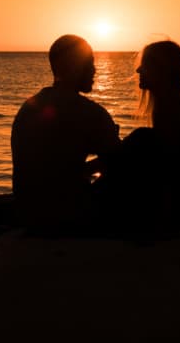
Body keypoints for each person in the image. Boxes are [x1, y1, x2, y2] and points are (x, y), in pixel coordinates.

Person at [96, 40, 180, 231]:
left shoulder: (178, 111)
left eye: (145, 66)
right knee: (139, 140)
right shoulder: (174, 107)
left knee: (141, 138)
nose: (138, 71)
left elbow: (172, 173)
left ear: (161, 70)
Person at [11, 34, 121, 231]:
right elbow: (118, 162)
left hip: (26, 213)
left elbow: (45, 167)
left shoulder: (29, 107)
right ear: (71, 66)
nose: (95, 70)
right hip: (66, 217)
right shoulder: (89, 112)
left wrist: (80, 170)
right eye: (89, 63)